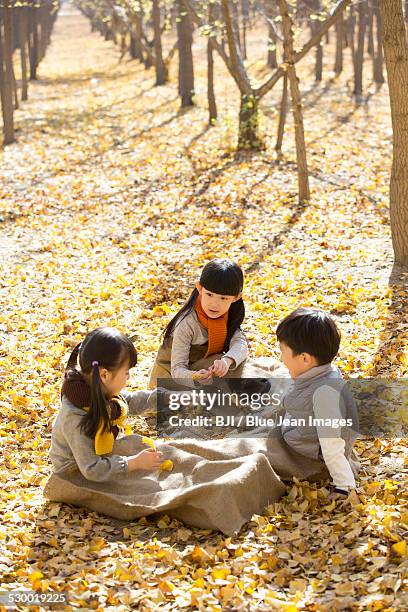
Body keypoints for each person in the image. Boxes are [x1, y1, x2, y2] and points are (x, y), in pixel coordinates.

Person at [49, 327, 164, 481]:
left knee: (143, 448)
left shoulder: (97, 390)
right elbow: (92, 469)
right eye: (126, 372)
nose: (128, 377)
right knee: (141, 487)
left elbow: (131, 402)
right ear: (104, 375)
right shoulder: (76, 416)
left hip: (96, 458)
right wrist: (134, 463)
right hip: (74, 474)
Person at [276, 307, 361, 499]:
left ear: (305, 358)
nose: (281, 359)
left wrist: (343, 485)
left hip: (313, 450)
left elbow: (332, 443)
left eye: (283, 352)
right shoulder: (322, 371)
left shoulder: (324, 395)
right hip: (308, 427)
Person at [148, 258, 249, 390]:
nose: (214, 303)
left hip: (204, 371)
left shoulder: (228, 315)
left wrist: (227, 361)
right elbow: (177, 369)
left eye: (223, 298)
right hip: (171, 378)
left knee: (236, 362)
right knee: (226, 365)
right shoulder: (187, 322)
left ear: (236, 297)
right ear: (199, 288)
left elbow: (240, 343)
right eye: (209, 294)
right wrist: (195, 377)